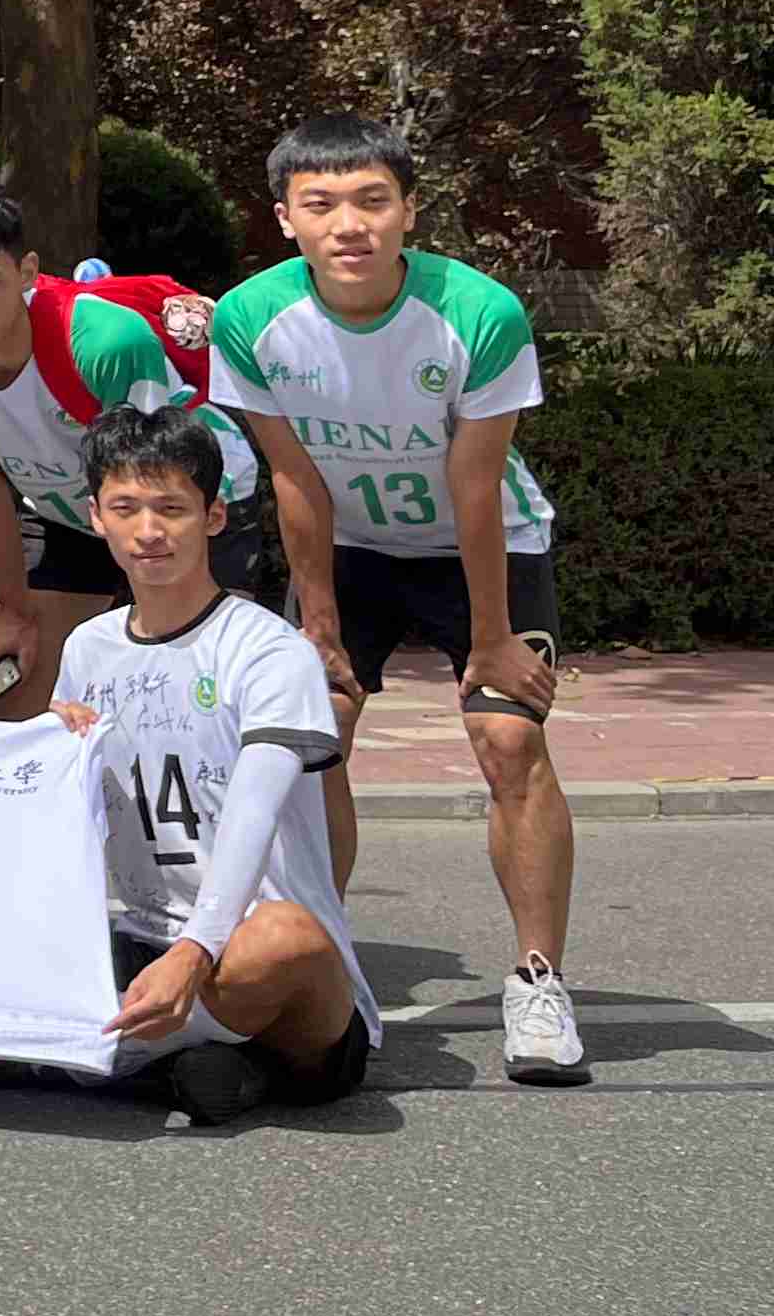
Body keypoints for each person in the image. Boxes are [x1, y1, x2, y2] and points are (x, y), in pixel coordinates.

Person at [209, 114, 581, 1083]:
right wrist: (319, 629)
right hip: (349, 549)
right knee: (311, 737)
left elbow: (475, 487)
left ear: (409, 210)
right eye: (322, 204)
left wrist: (492, 640)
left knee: (508, 741)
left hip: (483, 546)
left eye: (373, 201)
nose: (350, 224)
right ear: (285, 217)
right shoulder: (249, 318)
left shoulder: (479, 312)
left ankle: (539, 983)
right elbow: (293, 478)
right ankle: (320, 957)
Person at [49, 405, 381, 1122]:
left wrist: (197, 950)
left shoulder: (270, 650)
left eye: (171, 508)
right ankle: (206, 1061)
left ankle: (105, 1057)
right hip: (141, 938)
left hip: (249, 956)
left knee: (285, 937)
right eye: (125, 508)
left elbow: (254, 813)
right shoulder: (85, 648)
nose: (149, 530)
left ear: (214, 516)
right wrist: (52, 747)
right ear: (96, 517)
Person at [0, 174, 235, 709]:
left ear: (26, 271)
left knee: (190, 701)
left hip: (181, 507)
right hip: (67, 514)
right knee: (18, 700)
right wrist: (13, 606)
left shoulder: (105, 343)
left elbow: (154, 485)